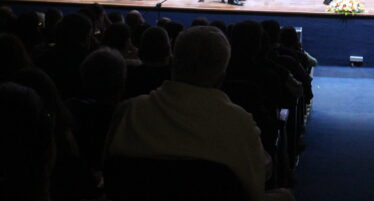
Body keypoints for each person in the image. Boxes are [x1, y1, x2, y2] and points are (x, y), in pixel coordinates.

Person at [105, 26, 295, 201]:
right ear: (222, 75)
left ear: (172, 60)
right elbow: (256, 186)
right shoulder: (239, 123)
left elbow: (108, 177)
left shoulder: (128, 112)